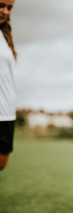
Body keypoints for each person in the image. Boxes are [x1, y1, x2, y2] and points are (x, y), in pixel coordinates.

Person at [0, 0, 16, 171]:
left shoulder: (5, 35)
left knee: (2, 163)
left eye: (9, 8)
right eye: (1, 5)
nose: (5, 11)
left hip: (6, 113)